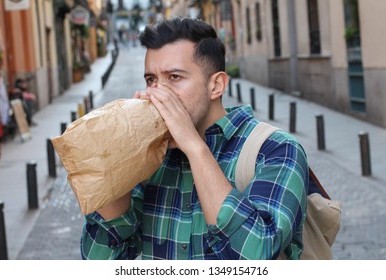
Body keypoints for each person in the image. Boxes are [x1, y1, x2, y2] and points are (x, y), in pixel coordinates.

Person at [81, 17, 309, 260]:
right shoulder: (151, 159)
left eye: (174, 77)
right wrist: (120, 167)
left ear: (216, 86)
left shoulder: (276, 150)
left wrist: (194, 147)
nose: (158, 92)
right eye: (151, 80)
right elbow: (99, 258)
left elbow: (254, 255)